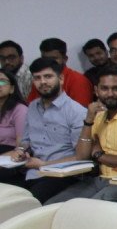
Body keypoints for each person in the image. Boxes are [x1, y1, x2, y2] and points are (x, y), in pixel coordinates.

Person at [46, 65, 117, 204]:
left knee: (88, 209)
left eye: (116, 88)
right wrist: (88, 120)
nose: (110, 94)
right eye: (104, 88)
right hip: (101, 179)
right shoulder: (98, 117)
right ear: (96, 90)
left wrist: (98, 155)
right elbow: (82, 156)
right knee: (53, 204)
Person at [1, 59, 87, 201]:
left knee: (26, 202)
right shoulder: (32, 107)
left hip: (62, 173)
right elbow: (25, 141)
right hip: (32, 171)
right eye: (37, 78)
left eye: (48, 76)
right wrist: (21, 151)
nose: (43, 82)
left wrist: (44, 165)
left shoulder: (76, 112)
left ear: (61, 79)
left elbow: (80, 157)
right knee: (7, 198)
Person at [0, 68, 27, 154]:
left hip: (9, 155)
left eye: (2, 82)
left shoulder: (20, 109)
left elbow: (22, 144)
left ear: (12, 88)